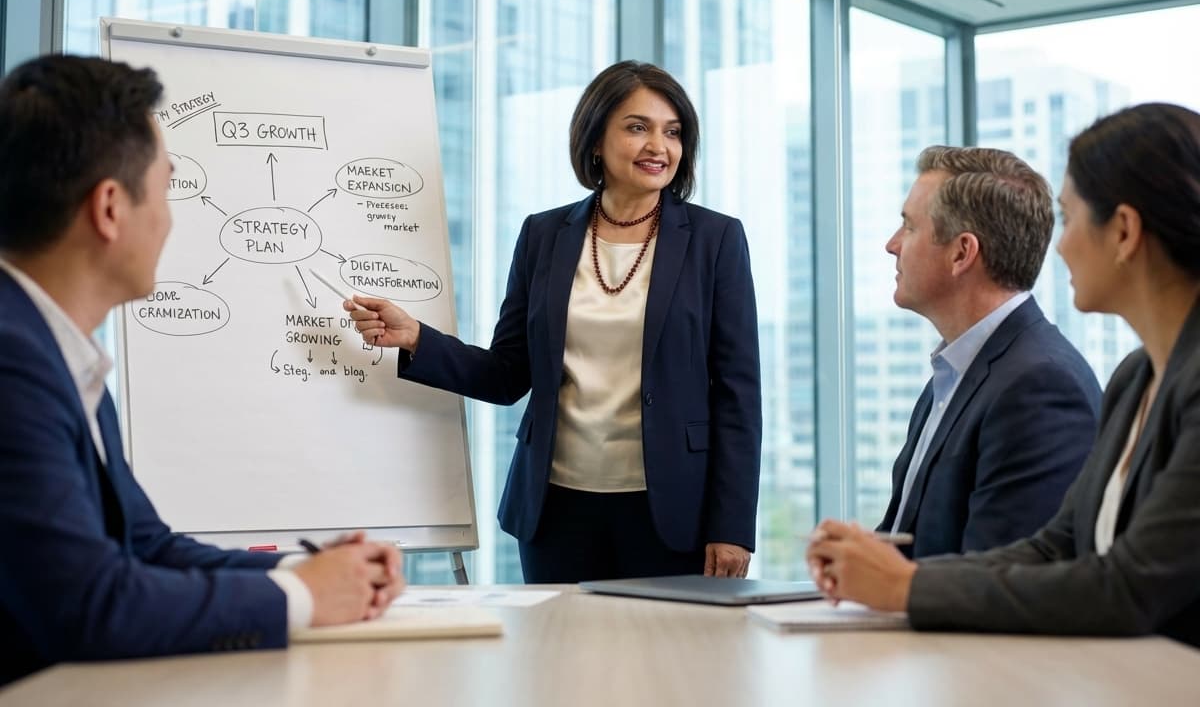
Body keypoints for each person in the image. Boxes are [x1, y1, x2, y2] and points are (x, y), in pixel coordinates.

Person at [0, 55, 404, 686]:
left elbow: (145, 547)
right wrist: (303, 599)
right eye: (166, 189)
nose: (170, 217)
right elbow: (90, 605)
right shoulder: (13, 359)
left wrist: (311, 574)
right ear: (110, 209)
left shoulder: (55, 347)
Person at [346, 60, 761, 583]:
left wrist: (733, 526)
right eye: (638, 127)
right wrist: (417, 339)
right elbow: (508, 373)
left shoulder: (715, 239)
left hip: (674, 512)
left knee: (666, 663)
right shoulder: (544, 235)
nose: (659, 146)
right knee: (558, 662)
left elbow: (738, 394)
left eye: (673, 131)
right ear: (595, 140)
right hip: (556, 509)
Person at [807, 102, 1200, 646]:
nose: (1057, 246)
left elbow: (1128, 587)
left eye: (1069, 218)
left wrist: (906, 589)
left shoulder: (1049, 380)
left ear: (1125, 231)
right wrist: (882, 573)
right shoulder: (1136, 376)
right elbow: (1053, 547)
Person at [876, 146, 1100, 557]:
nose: (891, 245)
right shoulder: (950, 377)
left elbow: (1003, 582)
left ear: (962, 252)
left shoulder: (1040, 385)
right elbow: (909, 544)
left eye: (908, 227)